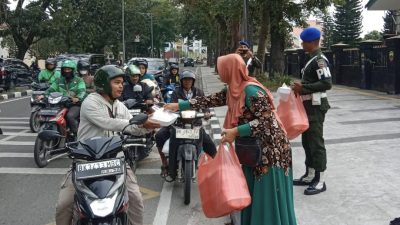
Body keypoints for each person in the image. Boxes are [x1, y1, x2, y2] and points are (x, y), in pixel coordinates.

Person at [164, 54, 296, 225]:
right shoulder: (234, 89)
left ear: (230, 70)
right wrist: (180, 105)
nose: (219, 73)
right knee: (252, 189)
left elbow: (267, 122)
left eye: (221, 69)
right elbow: (210, 99)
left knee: (266, 194)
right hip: (254, 148)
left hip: (271, 151)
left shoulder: (251, 91)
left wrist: (236, 131)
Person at [55, 65, 160, 225]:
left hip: (115, 162)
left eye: (122, 82)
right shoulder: (90, 102)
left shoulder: (119, 105)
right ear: (104, 84)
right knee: (64, 204)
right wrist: (140, 124)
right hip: (87, 163)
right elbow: (109, 123)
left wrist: (149, 126)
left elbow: (133, 127)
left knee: (136, 200)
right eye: (117, 82)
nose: (121, 86)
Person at [291, 27, 332, 195]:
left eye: (305, 42)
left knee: (316, 143)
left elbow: (327, 83)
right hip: (308, 107)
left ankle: (320, 180)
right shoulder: (311, 58)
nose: (302, 44)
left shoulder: (319, 60)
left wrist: (304, 88)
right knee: (307, 142)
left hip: (316, 107)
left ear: (313, 42)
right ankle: (309, 174)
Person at [156, 70, 216, 178]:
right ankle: (165, 164)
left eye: (190, 80)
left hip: (195, 123)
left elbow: (205, 105)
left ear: (193, 81)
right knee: (159, 135)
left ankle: (217, 167)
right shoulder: (176, 92)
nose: (187, 82)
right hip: (178, 123)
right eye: (185, 80)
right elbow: (172, 106)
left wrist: (206, 112)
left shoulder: (199, 92)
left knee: (210, 144)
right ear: (182, 81)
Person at [39, 60, 86, 136]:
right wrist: (43, 95)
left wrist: (77, 98)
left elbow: (82, 91)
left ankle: (76, 135)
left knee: (70, 116)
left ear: (73, 70)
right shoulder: (59, 80)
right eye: (65, 69)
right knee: (49, 114)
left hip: (74, 104)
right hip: (59, 104)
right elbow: (51, 89)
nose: (67, 71)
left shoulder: (79, 80)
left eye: (69, 69)